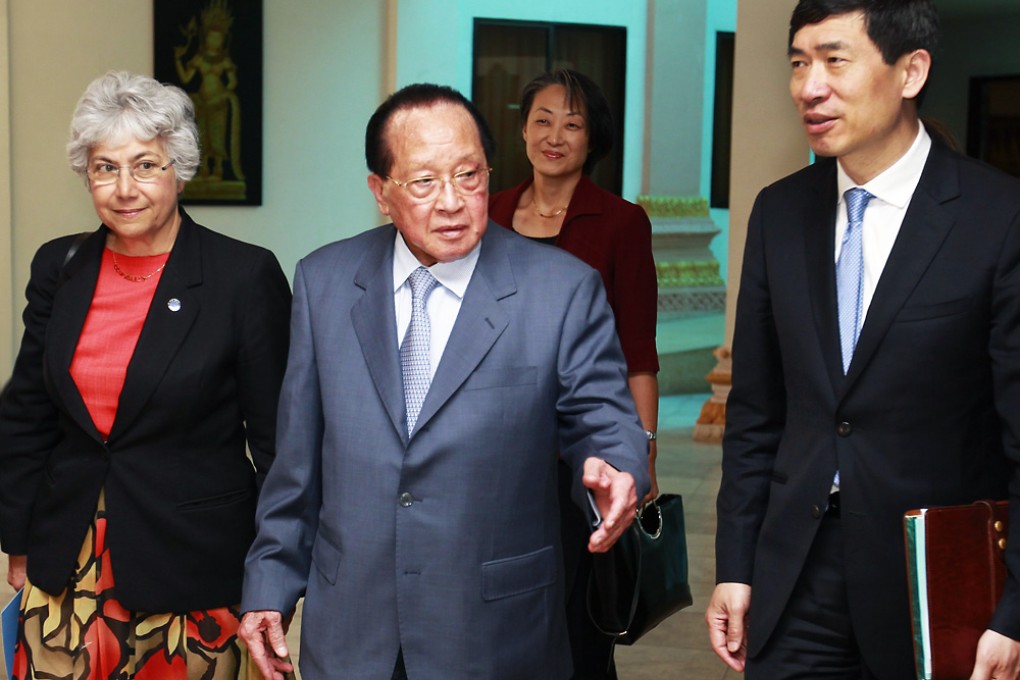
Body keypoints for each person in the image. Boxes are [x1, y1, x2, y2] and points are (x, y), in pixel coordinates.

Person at [237, 83, 650, 680]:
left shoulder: (561, 290)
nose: (453, 201)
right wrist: (269, 585)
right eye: (424, 182)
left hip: (492, 634)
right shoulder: (325, 282)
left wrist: (616, 466)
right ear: (381, 192)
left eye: (469, 175)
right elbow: (296, 464)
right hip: (354, 631)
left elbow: (604, 419)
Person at [706, 1, 1020, 678]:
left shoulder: (998, 219)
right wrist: (736, 565)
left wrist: (1015, 609)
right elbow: (757, 414)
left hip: (935, 579)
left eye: (834, 60)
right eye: (798, 63)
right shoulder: (780, 213)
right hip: (796, 576)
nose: (808, 87)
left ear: (911, 71)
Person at [0, 71, 291, 679]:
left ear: (179, 170)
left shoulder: (243, 276)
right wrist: (19, 541)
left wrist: (274, 573)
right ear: (87, 174)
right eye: (105, 168)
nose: (125, 188)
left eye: (146, 166)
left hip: (193, 570)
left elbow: (277, 446)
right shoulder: (61, 265)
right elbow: (26, 411)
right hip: (67, 562)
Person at [489, 68, 658, 680]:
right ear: (523, 130)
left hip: (582, 455)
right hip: (498, 449)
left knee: (578, 622)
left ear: (593, 140)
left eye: (573, 123)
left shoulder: (620, 222)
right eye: (542, 119)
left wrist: (642, 455)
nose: (554, 135)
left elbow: (638, 352)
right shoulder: (491, 211)